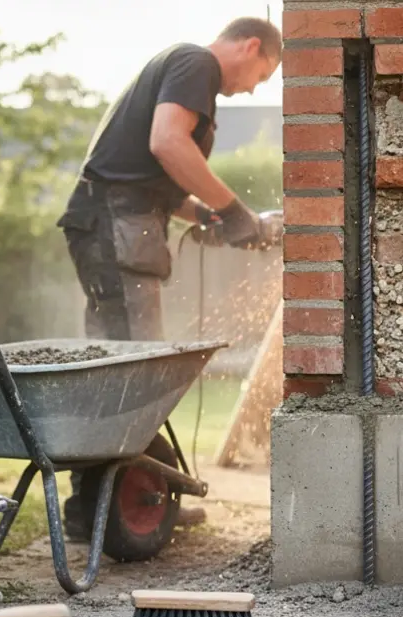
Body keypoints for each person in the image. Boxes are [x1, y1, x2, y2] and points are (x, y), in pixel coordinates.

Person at [55, 17, 282, 542]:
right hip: (114, 229)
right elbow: (167, 144)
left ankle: (101, 502)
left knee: (125, 365)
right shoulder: (194, 62)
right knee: (133, 370)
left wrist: (204, 213)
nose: (252, 89)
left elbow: (149, 176)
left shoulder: (182, 70)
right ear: (251, 46)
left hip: (113, 223)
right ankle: (101, 508)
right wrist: (235, 212)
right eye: (262, 75)